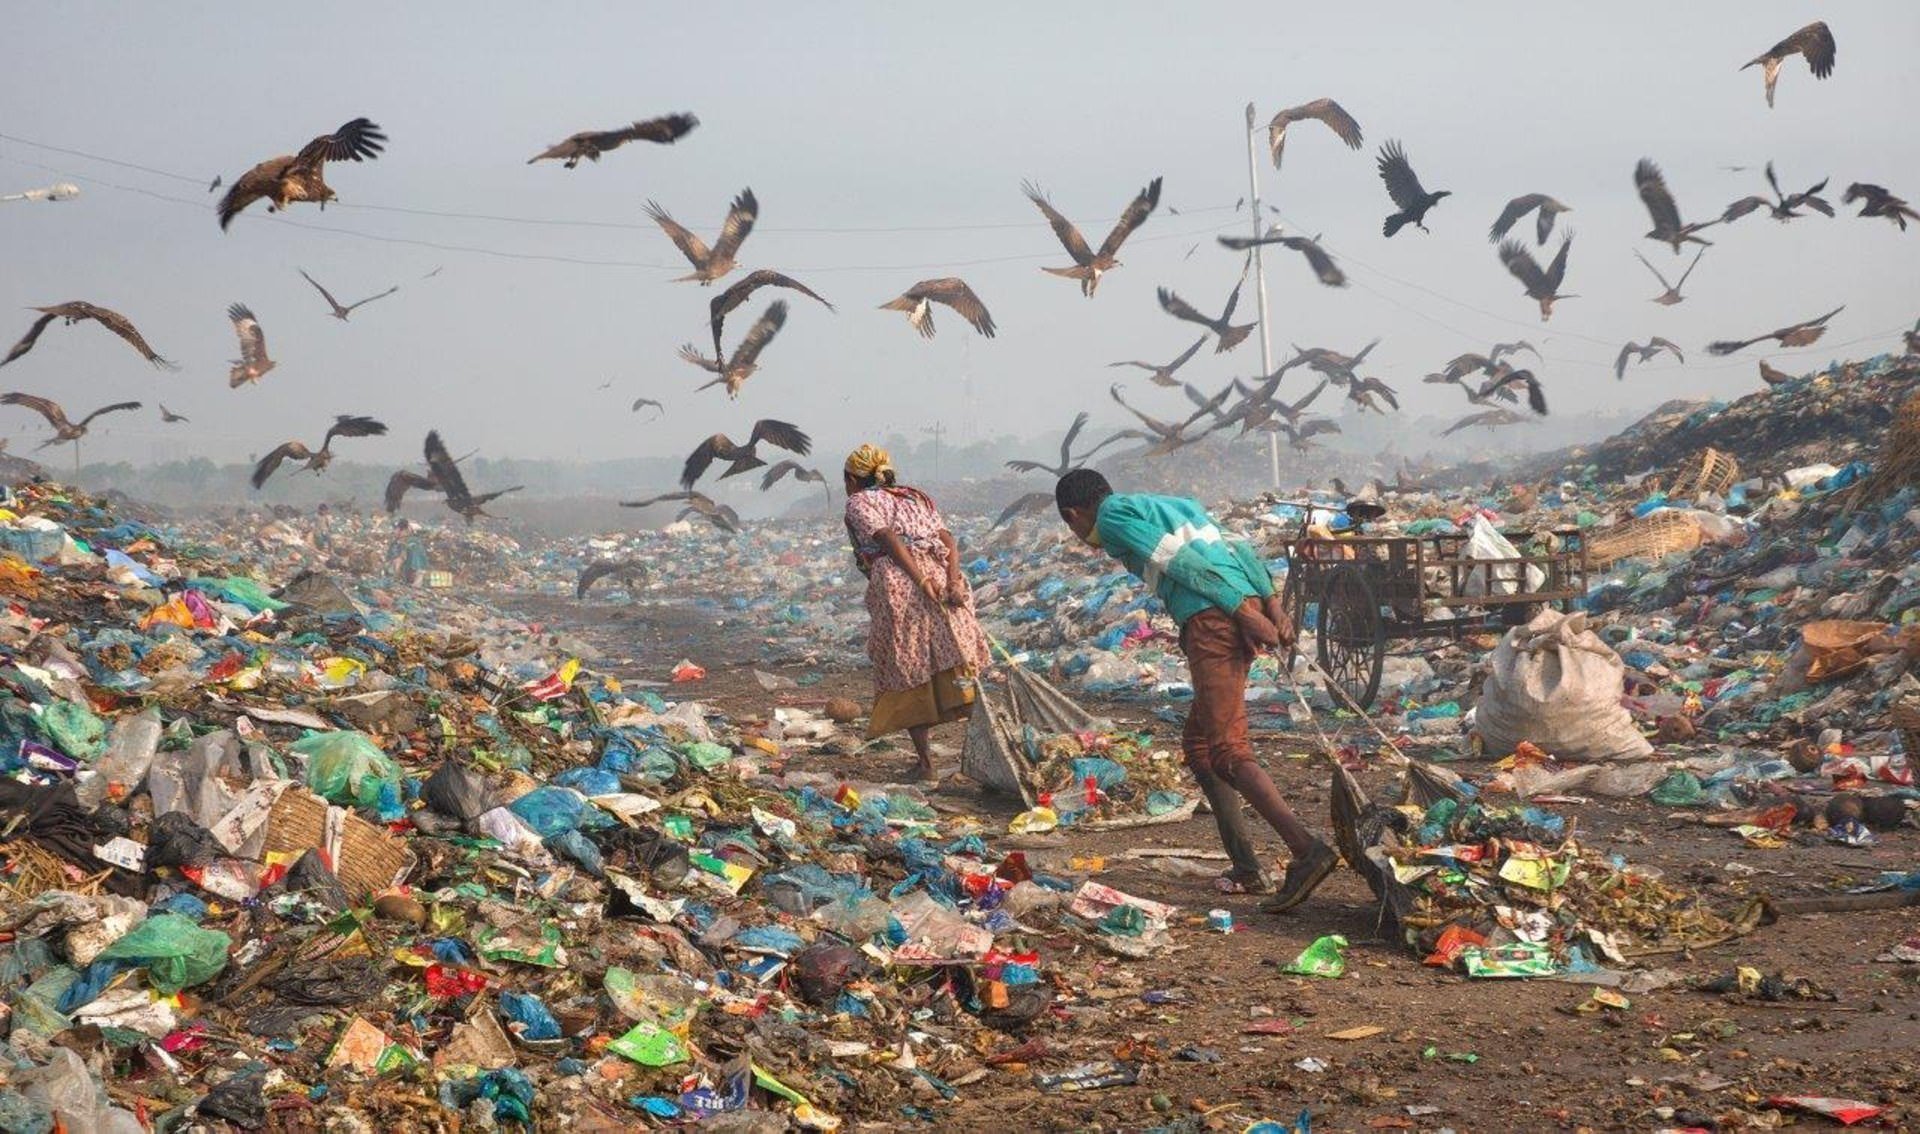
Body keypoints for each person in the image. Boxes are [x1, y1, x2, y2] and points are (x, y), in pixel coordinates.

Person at [1053, 468, 1337, 912]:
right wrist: (1272, 604)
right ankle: (1246, 865)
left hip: (1214, 618)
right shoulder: (1174, 505)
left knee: (1227, 750)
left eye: (1072, 526)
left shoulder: (1109, 520)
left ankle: (1306, 850)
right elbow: (1238, 550)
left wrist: (1242, 614)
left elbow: (1179, 564)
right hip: (1240, 604)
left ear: (1073, 514)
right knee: (1200, 747)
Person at [843, 443, 991, 781]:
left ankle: (926, 764)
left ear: (852, 479)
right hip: (940, 577)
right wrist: (952, 582)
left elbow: (887, 539)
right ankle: (987, 755)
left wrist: (920, 580)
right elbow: (949, 541)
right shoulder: (915, 496)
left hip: (900, 584)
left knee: (907, 663)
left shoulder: (858, 502)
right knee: (957, 656)